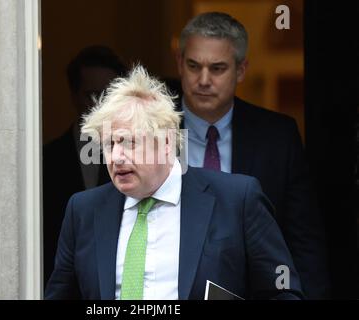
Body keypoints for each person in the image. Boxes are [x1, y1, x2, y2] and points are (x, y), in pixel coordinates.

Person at [45, 65, 303, 300]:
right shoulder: (83, 210)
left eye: (129, 142)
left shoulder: (237, 199)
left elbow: (283, 293)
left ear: (167, 142)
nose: (115, 157)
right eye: (109, 144)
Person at [175, 12, 329, 299]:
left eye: (218, 68)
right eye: (194, 66)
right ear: (179, 64)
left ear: (241, 70)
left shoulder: (277, 136)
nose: (203, 80)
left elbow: (304, 241)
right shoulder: (150, 129)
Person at [43, 45, 127, 285]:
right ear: (74, 95)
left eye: (108, 96)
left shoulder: (138, 157)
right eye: (91, 95)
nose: (99, 105)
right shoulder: (47, 159)